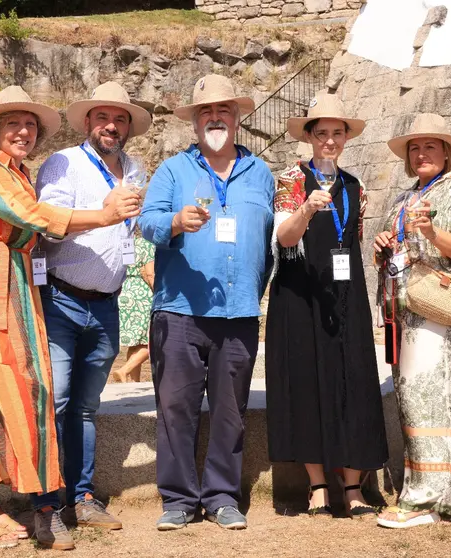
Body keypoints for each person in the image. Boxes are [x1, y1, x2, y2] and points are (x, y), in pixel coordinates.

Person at [0, 86, 129, 549]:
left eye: (30, 125)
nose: (23, 132)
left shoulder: (17, 173)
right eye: (13, 124)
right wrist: (101, 217)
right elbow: (31, 215)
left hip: (10, 279)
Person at [138, 74, 274, 531]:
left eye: (223, 111)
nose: (215, 118)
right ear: (195, 123)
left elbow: (271, 243)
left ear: (237, 118)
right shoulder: (174, 170)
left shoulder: (261, 173)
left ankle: (222, 497)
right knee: (175, 407)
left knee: (230, 411)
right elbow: (147, 223)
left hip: (239, 312)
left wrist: (255, 286)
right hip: (179, 310)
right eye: (205, 113)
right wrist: (175, 220)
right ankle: (178, 499)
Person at [32, 82, 151, 549]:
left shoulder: (136, 168)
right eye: (102, 117)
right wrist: (103, 213)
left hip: (107, 304)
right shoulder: (63, 162)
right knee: (55, 403)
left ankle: (81, 497)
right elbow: (46, 221)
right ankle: (47, 504)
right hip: (60, 300)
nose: (111, 126)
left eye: (119, 119)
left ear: (128, 128)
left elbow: (136, 229)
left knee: (84, 407)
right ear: (87, 123)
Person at [265, 93, 387, 519]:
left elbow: (349, 240)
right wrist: (305, 210)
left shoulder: (356, 185)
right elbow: (284, 239)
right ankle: (318, 485)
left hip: (344, 294)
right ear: (310, 138)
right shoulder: (290, 179)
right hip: (300, 295)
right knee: (307, 381)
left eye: (338, 133)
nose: (330, 141)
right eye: (323, 134)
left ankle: (351, 485)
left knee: (352, 381)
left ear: (346, 138)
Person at [373, 113, 451, 529]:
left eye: (430, 147)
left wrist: (434, 235)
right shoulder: (403, 198)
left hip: (435, 305)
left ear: (447, 152)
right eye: (415, 148)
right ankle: (421, 489)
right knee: (413, 398)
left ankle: (430, 499)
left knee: (431, 397)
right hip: (404, 310)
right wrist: (384, 245)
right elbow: (392, 253)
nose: (421, 154)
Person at [114, 228, 155, 383]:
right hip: (141, 296)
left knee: (135, 342)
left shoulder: (124, 243)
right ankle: (124, 370)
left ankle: (133, 381)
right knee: (149, 341)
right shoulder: (146, 244)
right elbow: (150, 273)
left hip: (124, 291)